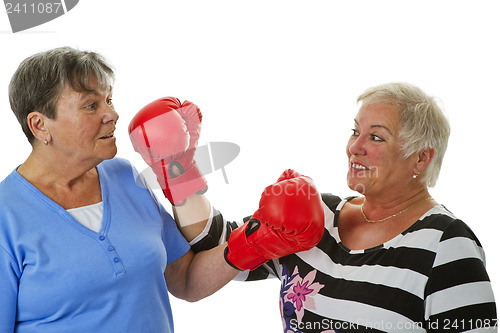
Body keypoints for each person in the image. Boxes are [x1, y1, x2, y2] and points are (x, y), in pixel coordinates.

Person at [0, 47, 325, 333]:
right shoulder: (7, 216)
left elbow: (186, 279)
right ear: (40, 125)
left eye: (109, 100)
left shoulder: (124, 177)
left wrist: (257, 241)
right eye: (90, 105)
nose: (112, 115)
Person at [143, 83, 497, 332]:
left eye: (376, 137)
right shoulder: (320, 215)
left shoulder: (446, 243)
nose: (354, 147)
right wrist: (179, 169)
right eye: (354, 131)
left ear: (421, 158)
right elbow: (216, 247)